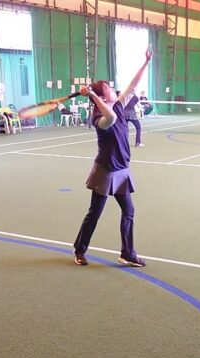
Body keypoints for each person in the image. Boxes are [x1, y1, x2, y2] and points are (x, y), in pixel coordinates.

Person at [73, 49, 153, 267]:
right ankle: (79, 250)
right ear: (101, 96)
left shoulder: (117, 103)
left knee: (129, 210)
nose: (112, 89)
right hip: (105, 172)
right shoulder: (99, 118)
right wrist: (92, 96)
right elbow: (111, 117)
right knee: (95, 214)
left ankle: (127, 253)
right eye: (107, 88)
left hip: (122, 171)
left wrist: (145, 62)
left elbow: (133, 85)